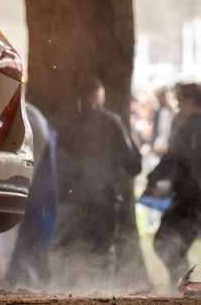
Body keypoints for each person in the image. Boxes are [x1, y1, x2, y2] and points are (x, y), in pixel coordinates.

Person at [50, 77, 142, 292]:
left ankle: (57, 293)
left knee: (63, 248)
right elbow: (133, 163)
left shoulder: (65, 121)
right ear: (97, 95)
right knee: (103, 251)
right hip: (104, 200)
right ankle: (101, 293)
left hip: (71, 198)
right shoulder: (112, 121)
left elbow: (59, 160)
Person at [148, 82, 201, 289]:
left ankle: (187, 287)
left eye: (180, 100)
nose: (178, 105)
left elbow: (174, 156)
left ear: (191, 101)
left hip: (191, 197)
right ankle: (193, 286)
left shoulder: (192, 125)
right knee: (189, 241)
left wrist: (153, 178)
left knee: (164, 241)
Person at [6, 102, 59, 290]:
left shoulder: (30, 118)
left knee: (31, 238)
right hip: (37, 191)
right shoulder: (32, 116)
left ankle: (22, 281)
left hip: (38, 192)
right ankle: (20, 280)